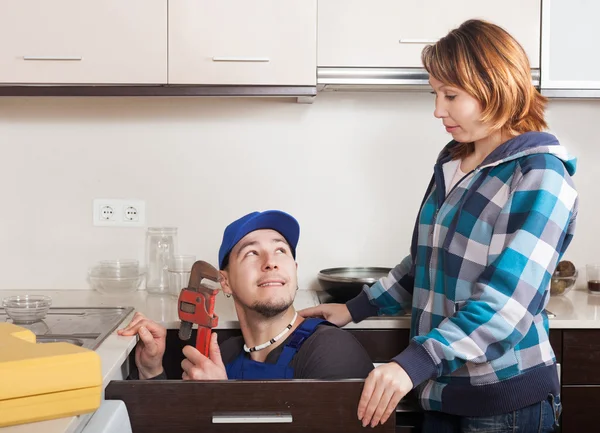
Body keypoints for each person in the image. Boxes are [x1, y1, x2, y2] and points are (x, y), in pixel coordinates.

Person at [300, 19, 577, 432]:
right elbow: (428, 260)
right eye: (435, 94)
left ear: (494, 86)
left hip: (504, 403)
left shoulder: (540, 175)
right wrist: (357, 307)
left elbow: (507, 305)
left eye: (451, 95)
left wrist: (414, 362)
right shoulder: (454, 163)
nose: (437, 110)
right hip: (441, 391)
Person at [118, 210, 374, 382]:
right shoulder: (226, 354)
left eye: (281, 251)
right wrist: (151, 370)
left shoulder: (332, 352)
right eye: (252, 253)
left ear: (294, 272)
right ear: (225, 282)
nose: (270, 262)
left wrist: (222, 401)